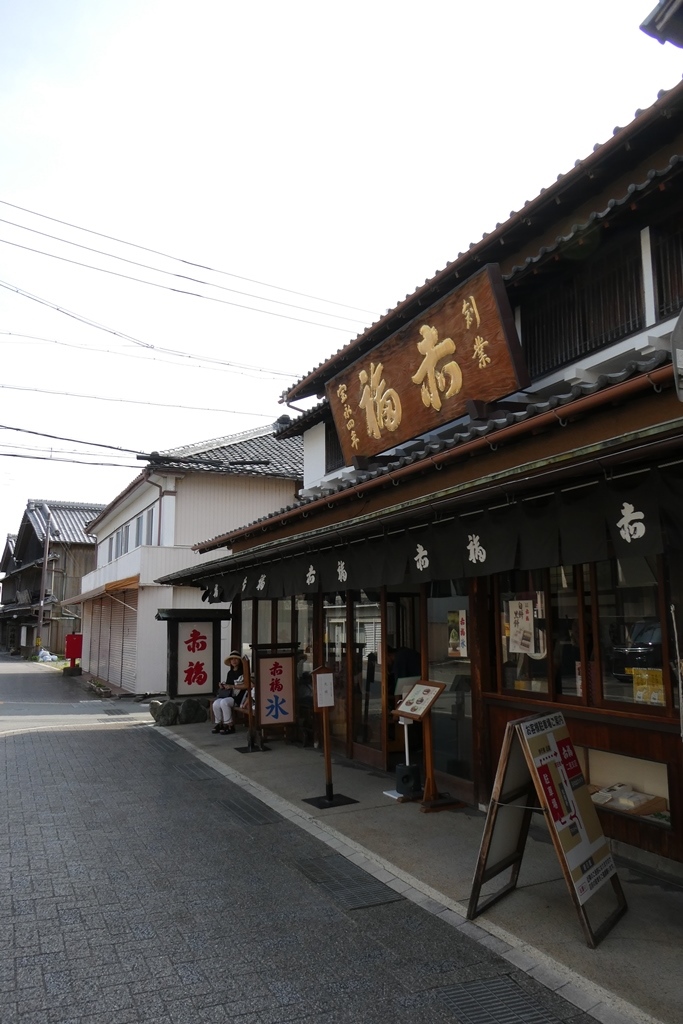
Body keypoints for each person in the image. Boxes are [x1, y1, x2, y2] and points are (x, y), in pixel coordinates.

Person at [212, 652, 247, 734]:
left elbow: (247, 685)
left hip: (240, 697)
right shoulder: (230, 673)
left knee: (224, 703)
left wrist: (232, 686)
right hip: (230, 695)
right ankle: (219, 723)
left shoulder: (244, 672)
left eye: (236, 659)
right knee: (216, 703)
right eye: (232, 659)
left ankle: (230, 725)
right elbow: (228, 685)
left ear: (239, 660)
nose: (234, 661)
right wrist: (223, 686)